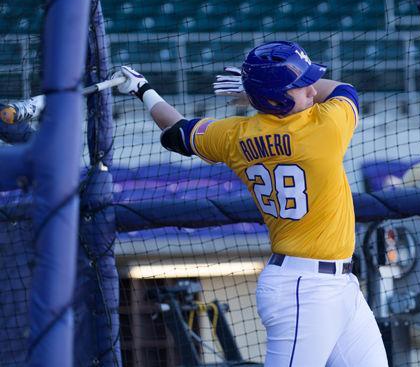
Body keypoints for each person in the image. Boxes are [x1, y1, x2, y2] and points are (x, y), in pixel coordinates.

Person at [114, 40, 388, 367]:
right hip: (304, 290)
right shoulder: (325, 126)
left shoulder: (236, 136)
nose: (312, 91)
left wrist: (142, 88)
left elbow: (177, 132)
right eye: (302, 86)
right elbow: (345, 89)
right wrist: (255, 92)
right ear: (279, 98)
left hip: (339, 286)